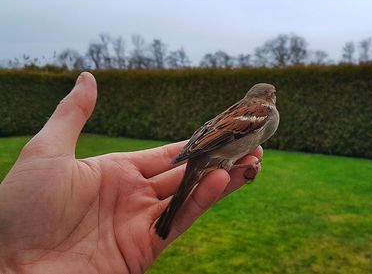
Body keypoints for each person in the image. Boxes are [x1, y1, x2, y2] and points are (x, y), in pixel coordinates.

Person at [0, 72, 263, 273]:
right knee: (205, 182)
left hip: (203, 149)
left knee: (197, 188)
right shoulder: (257, 112)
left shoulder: (243, 109)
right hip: (210, 151)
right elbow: (222, 133)